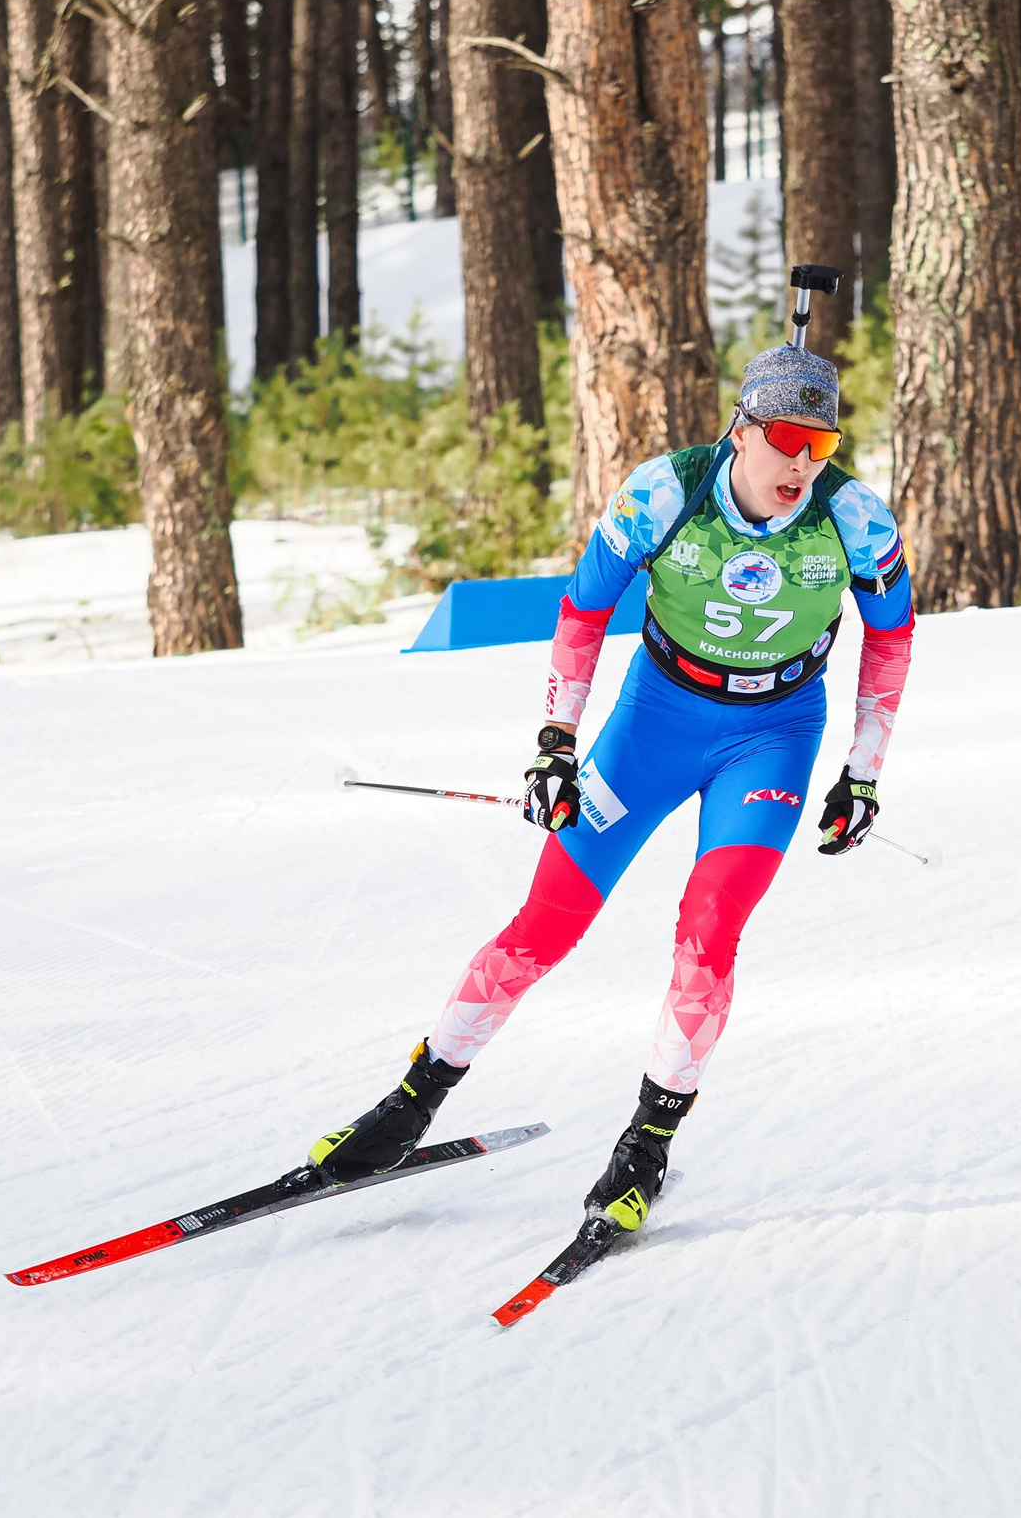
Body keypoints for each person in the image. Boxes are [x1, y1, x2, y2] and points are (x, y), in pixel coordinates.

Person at [304, 276, 914, 1237]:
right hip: (654, 722)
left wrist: (863, 768)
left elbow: (890, 641)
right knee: (545, 921)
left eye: (823, 444)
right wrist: (556, 745)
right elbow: (584, 613)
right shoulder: (664, 492)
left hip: (775, 735)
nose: (803, 464)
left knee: (709, 929)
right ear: (742, 431)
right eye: (787, 442)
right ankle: (408, 1107)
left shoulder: (854, 520)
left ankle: (647, 1147)